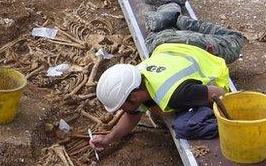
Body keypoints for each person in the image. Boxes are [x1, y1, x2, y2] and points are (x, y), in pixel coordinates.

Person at [91, 42, 231, 152]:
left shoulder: (175, 94)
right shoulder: (137, 78)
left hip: (214, 74)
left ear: (133, 97)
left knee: (184, 127)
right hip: (188, 56)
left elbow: (217, 93)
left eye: (121, 106)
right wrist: (108, 139)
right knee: (160, 110)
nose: (122, 110)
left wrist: (232, 120)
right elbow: (132, 116)